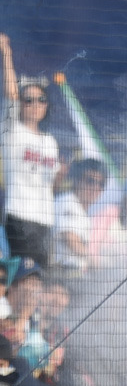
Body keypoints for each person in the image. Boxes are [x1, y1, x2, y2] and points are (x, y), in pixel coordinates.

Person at [0, 34, 60, 268]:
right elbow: (10, 95)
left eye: (41, 99)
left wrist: (61, 175)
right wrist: (7, 54)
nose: (35, 105)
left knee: (41, 279)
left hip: (45, 221)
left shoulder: (51, 142)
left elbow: (51, 186)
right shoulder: (12, 130)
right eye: (29, 100)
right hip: (19, 216)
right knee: (22, 276)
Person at [53, 158, 108, 276]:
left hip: (76, 274)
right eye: (90, 181)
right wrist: (93, 260)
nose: (95, 187)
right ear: (78, 180)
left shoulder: (83, 211)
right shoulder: (67, 201)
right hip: (62, 272)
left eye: (101, 184)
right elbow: (70, 238)